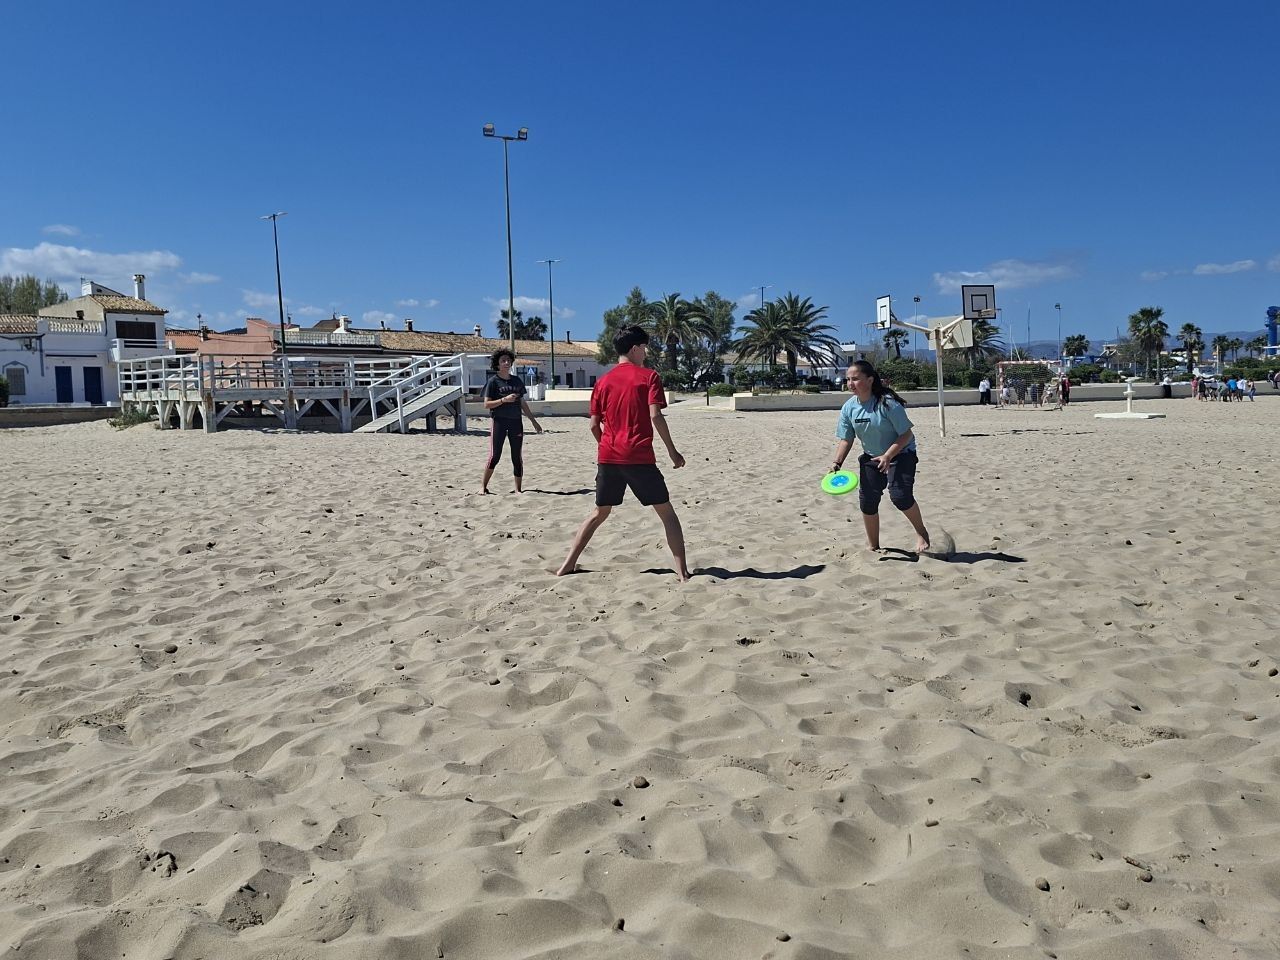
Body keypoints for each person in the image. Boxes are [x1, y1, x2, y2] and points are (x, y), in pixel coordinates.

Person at [556, 325, 690, 580]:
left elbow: (593, 425)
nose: (646, 353)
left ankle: (567, 565)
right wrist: (673, 452)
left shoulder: (602, 382)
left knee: (599, 512)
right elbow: (655, 416)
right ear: (635, 348)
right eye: (644, 348)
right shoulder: (649, 377)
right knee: (667, 514)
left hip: (608, 457)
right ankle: (682, 573)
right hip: (639, 457)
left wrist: (608, 445)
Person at [830, 359, 930, 554]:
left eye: (855, 379)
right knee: (867, 501)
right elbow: (846, 439)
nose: (850, 383)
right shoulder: (849, 408)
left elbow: (906, 434)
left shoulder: (887, 403)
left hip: (901, 453)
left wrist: (888, 455)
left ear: (870, 380)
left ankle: (921, 532)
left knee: (900, 497)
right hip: (872, 456)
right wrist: (837, 463)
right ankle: (873, 545)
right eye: (848, 379)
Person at [480, 348, 542, 494]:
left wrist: (533, 421)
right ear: (497, 364)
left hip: (516, 422)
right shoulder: (493, 382)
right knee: (495, 456)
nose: (506, 363)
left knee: (517, 456)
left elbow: (523, 403)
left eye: (508, 360)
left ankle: (518, 489)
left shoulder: (517, 381)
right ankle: (483, 487)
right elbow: (486, 404)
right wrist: (504, 400)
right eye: (503, 360)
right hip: (499, 422)